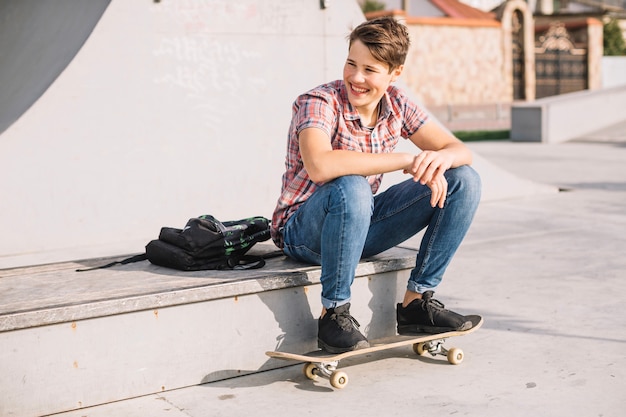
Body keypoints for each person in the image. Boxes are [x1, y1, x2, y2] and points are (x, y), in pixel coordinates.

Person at [270, 16, 481, 354]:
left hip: (357, 226)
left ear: (394, 73)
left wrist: (438, 160)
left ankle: (416, 303)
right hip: (303, 234)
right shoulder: (319, 101)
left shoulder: (397, 103)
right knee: (351, 185)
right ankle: (334, 313)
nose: (356, 77)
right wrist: (408, 159)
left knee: (464, 179)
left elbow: (460, 150)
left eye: (370, 70)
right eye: (351, 64)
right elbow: (320, 165)